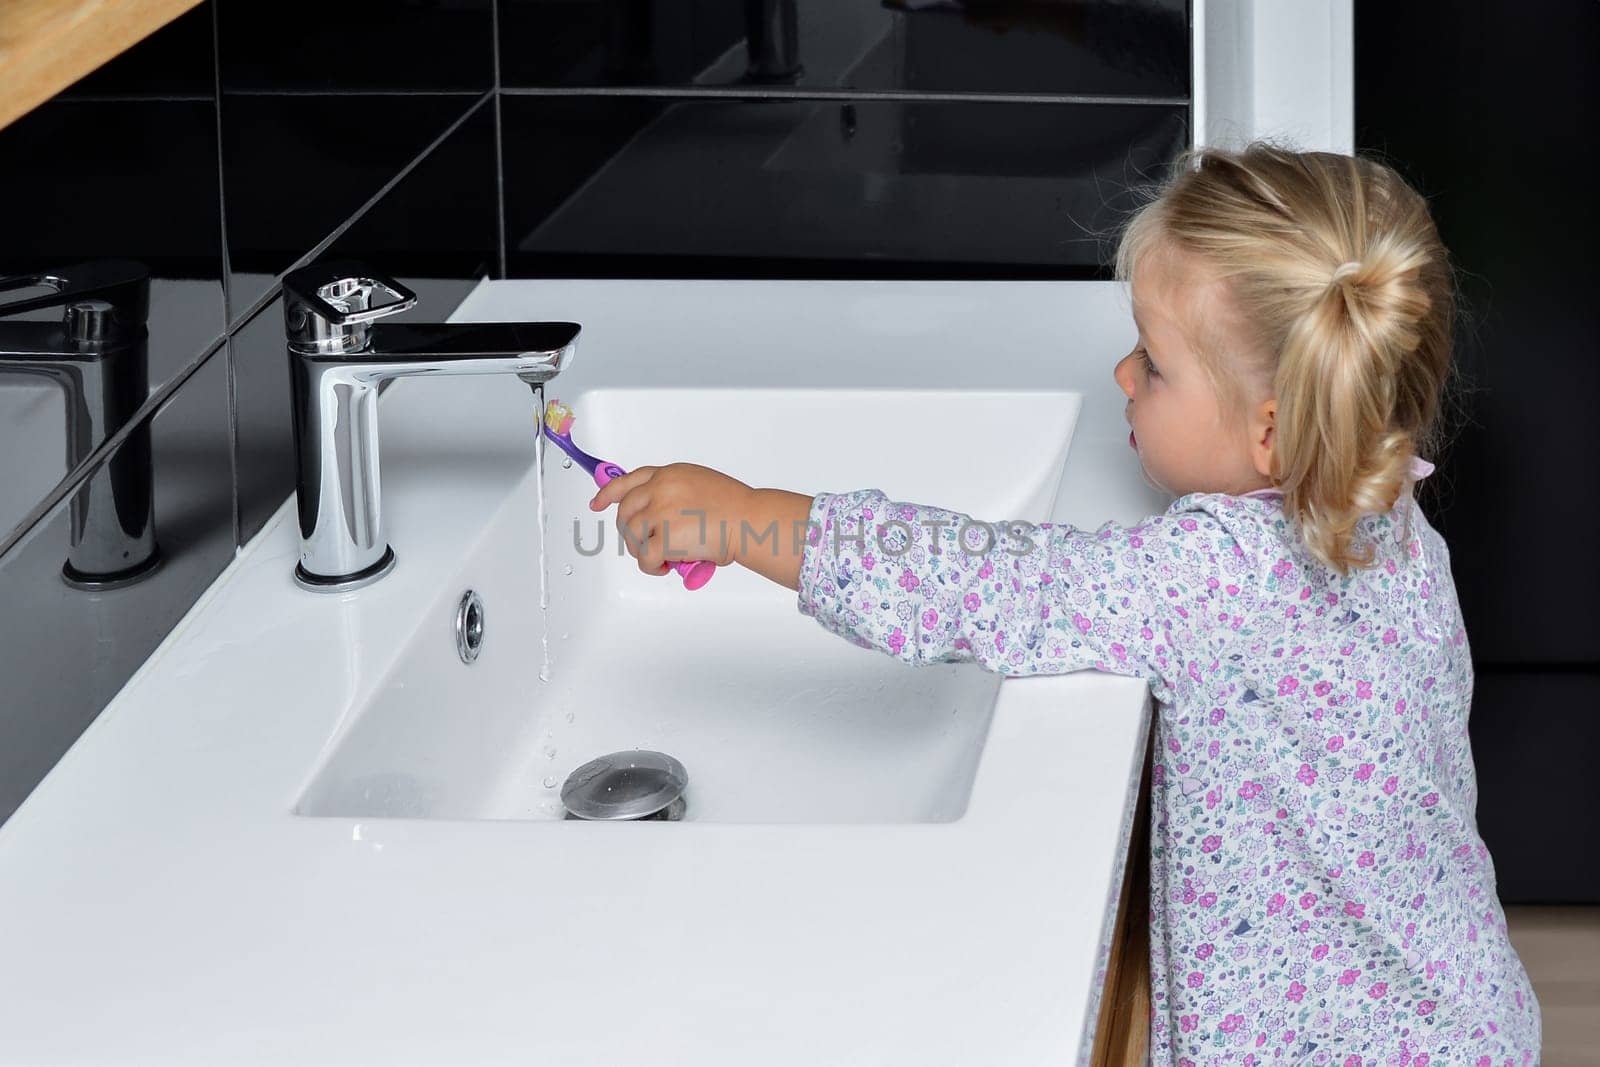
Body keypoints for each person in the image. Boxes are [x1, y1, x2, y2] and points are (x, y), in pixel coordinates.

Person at [589, 142, 1540, 1064]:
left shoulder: (1212, 576)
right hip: (1460, 1011)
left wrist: (747, 520)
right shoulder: (1395, 515)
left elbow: (979, 583)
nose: (1123, 376)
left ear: (1276, 431)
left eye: (1153, 364)